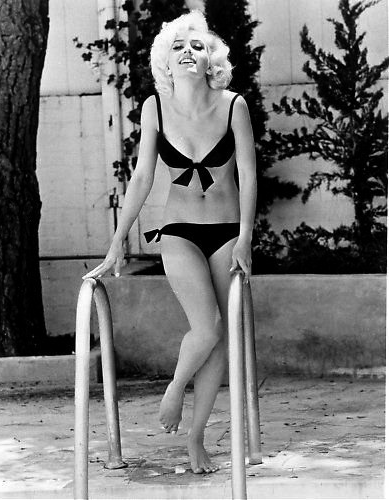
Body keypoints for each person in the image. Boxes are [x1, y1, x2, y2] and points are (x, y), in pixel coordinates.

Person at [83, 10, 257, 474]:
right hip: (178, 230)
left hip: (226, 231)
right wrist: (117, 242)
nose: (187, 52)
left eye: (197, 46)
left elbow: (248, 173)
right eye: (178, 46)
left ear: (211, 59)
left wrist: (245, 238)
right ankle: (175, 388)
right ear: (166, 59)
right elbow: (142, 177)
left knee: (221, 338)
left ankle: (196, 438)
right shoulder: (154, 107)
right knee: (208, 327)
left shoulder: (233, 105)